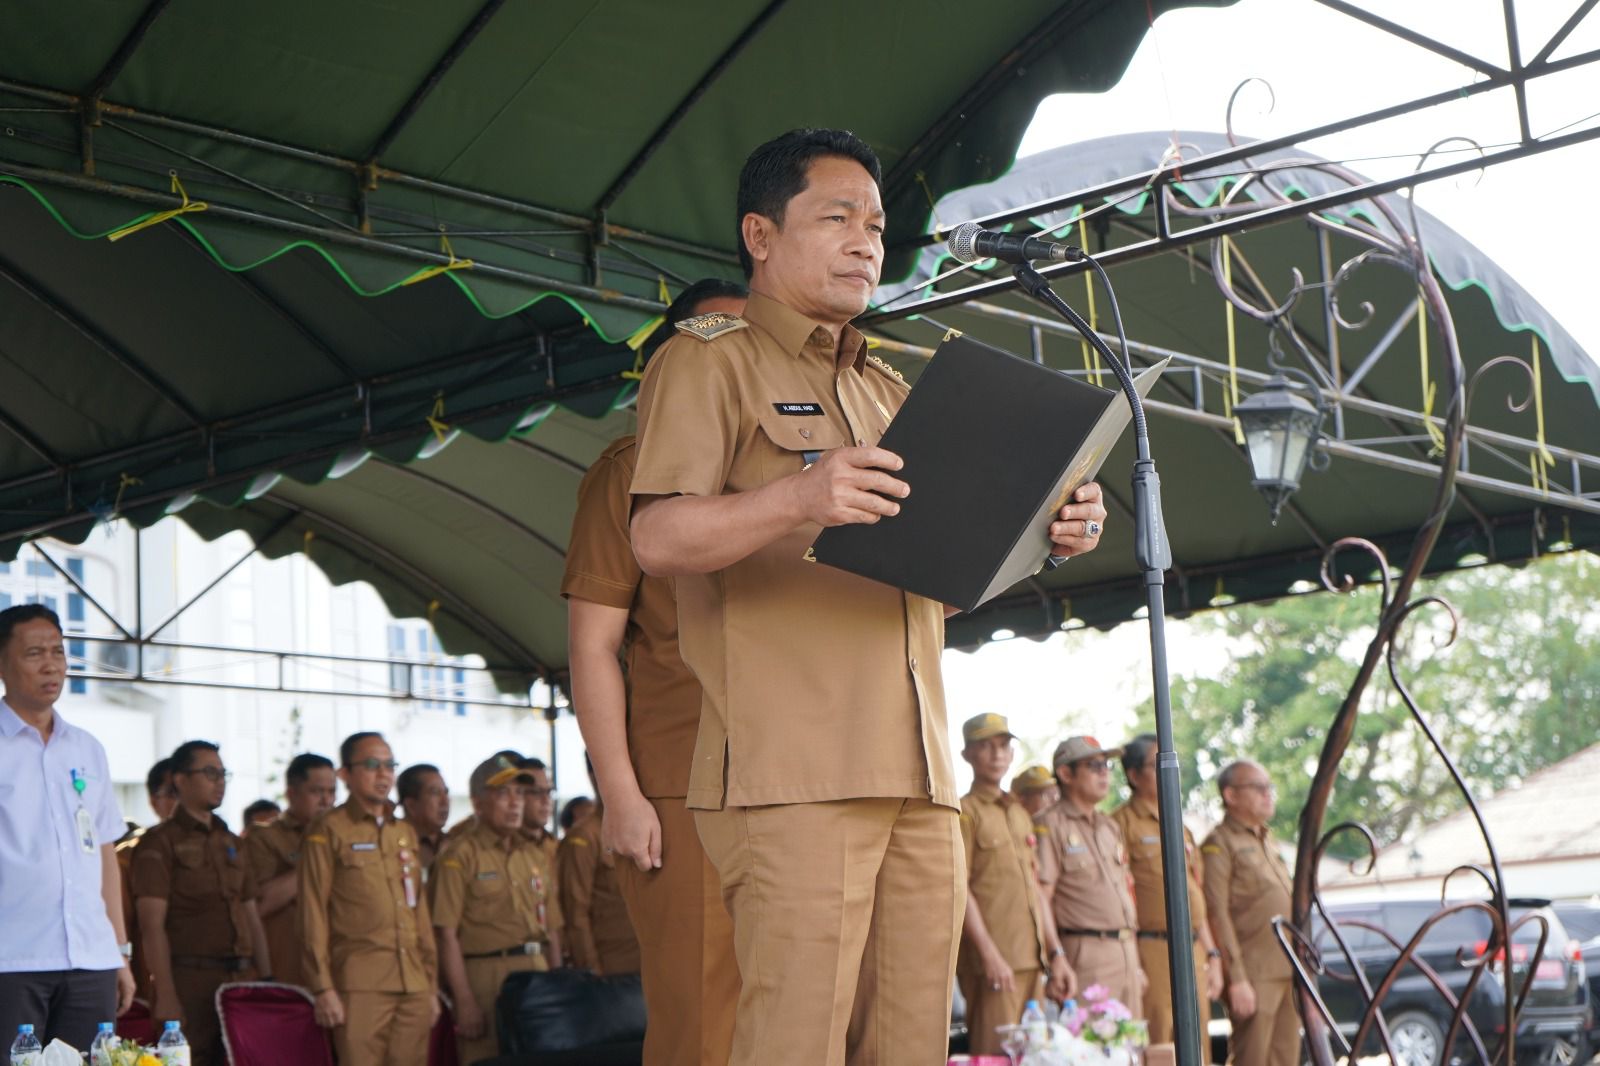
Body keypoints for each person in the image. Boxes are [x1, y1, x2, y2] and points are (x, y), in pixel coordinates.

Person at [628, 127, 1107, 1066]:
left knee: (913, 1043)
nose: (865, 243)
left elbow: (939, 582)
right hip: (794, 773)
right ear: (760, 236)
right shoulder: (708, 359)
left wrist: (1040, 542)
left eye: (878, 226)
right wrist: (797, 497)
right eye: (836, 217)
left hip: (921, 774)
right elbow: (657, 537)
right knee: (794, 1044)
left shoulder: (887, 386)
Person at [562, 277, 746, 1066]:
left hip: (805, 778)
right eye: (712, 338)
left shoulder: (804, 464)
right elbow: (592, 647)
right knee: (701, 1024)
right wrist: (622, 795)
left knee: (811, 1018)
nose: (733, 356)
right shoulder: (630, 470)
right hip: (682, 789)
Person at [0, 605, 135, 1048]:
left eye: (58, 651)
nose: (51, 664)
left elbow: (105, 858)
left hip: (90, 958)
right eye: (34, 652)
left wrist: (119, 953)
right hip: (12, 958)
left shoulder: (87, 748)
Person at [300, 731, 439, 1066]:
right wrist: (322, 987)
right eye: (372, 764)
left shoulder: (403, 832)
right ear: (345, 774)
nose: (384, 774)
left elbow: (417, 909)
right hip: (359, 985)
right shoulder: (328, 829)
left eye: (390, 765)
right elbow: (312, 910)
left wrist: (431, 985)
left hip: (414, 983)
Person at [131, 740, 272, 1066]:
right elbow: (151, 926)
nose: (219, 781)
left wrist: (266, 978)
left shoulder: (232, 841)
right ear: (179, 779)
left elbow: (251, 914)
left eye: (223, 774)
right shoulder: (159, 842)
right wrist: (165, 994)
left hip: (242, 979)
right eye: (209, 773)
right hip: (190, 982)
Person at [431, 755, 564, 1066]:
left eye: (520, 794)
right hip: (485, 975)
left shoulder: (533, 855)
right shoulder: (459, 856)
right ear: (477, 803)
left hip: (537, 967)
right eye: (503, 794)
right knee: (488, 1059)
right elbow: (445, 934)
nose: (515, 803)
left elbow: (553, 928)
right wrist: (464, 1000)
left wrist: (559, 983)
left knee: (543, 1057)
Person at [956, 714, 1076, 1055]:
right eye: (985, 746)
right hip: (994, 965)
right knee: (996, 1056)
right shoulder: (965, 812)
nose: (997, 754)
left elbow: (1036, 889)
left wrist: (1057, 955)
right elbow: (959, 889)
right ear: (967, 755)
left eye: (1004, 745)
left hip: (1030, 958)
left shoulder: (1020, 813)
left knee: (1033, 1056)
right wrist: (989, 955)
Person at [1110, 735, 1223, 1048]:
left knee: (1199, 1042)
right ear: (1133, 775)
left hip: (1194, 947)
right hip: (1153, 947)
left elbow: (1195, 892)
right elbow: (1120, 894)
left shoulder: (1180, 824)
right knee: (1162, 1040)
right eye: (1156, 764)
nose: (1169, 772)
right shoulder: (1119, 824)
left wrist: (1213, 954)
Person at [1036, 736, 1144, 1016]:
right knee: (1091, 1050)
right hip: (1084, 953)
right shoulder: (1050, 824)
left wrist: (1136, 962)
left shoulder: (1109, 826)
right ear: (1065, 773)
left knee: (1132, 1051)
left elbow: (1124, 893)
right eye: (1093, 765)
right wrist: (1056, 956)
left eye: (1107, 765)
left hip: (1125, 951)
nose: (1104, 772)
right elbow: (1040, 897)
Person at [1201, 762, 1298, 1066]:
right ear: (1230, 795)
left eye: (1269, 787)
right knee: (1252, 1058)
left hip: (1287, 967)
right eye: (1257, 788)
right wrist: (1237, 978)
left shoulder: (1268, 839)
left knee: (1286, 1057)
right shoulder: (1220, 843)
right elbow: (1216, 913)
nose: (1267, 795)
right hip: (1253, 973)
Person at [244, 752, 336, 989]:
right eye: (316, 792)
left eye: (331, 792)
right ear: (291, 793)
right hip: (289, 970)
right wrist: (315, 860)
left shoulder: (343, 838)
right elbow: (260, 904)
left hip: (339, 968)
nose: (326, 801)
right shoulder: (264, 837)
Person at [556, 760, 640, 975]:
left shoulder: (643, 827)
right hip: (612, 969)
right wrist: (592, 970)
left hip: (647, 962)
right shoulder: (585, 837)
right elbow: (575, 913)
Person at [119, 757, 178, 1002]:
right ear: (154, 801)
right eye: (174, 792)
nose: (183, 800)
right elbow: (122, 927)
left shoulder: (221, 845)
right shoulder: (127, 856)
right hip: (149, 989)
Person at [397, 763, 450, 875]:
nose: (445, 802)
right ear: (411, 805)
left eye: (446, 792)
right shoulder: (391, 845)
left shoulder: (454, 843)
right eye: (435, 793)